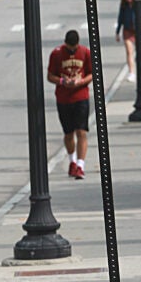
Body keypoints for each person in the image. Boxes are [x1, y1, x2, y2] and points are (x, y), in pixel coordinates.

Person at [47, 30, 93, 180]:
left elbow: (92, 73)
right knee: (68, 133)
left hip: (81, 97)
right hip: (63, 98)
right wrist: (62, 81)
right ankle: (72, 161)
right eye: (69, 48)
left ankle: (80, 165)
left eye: (74, 48)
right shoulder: (57, 54)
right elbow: (50, 76)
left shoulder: (85, 52)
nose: (72, 51)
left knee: (81, 132)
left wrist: (81, 81)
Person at [115, 0, 141, 83]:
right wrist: (117, 32)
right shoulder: (124, 6)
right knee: (129, 52)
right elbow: (120, 19)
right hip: (127, 30)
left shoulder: (138, 5)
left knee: (140, 52)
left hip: (138, 30)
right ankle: (131, 72)